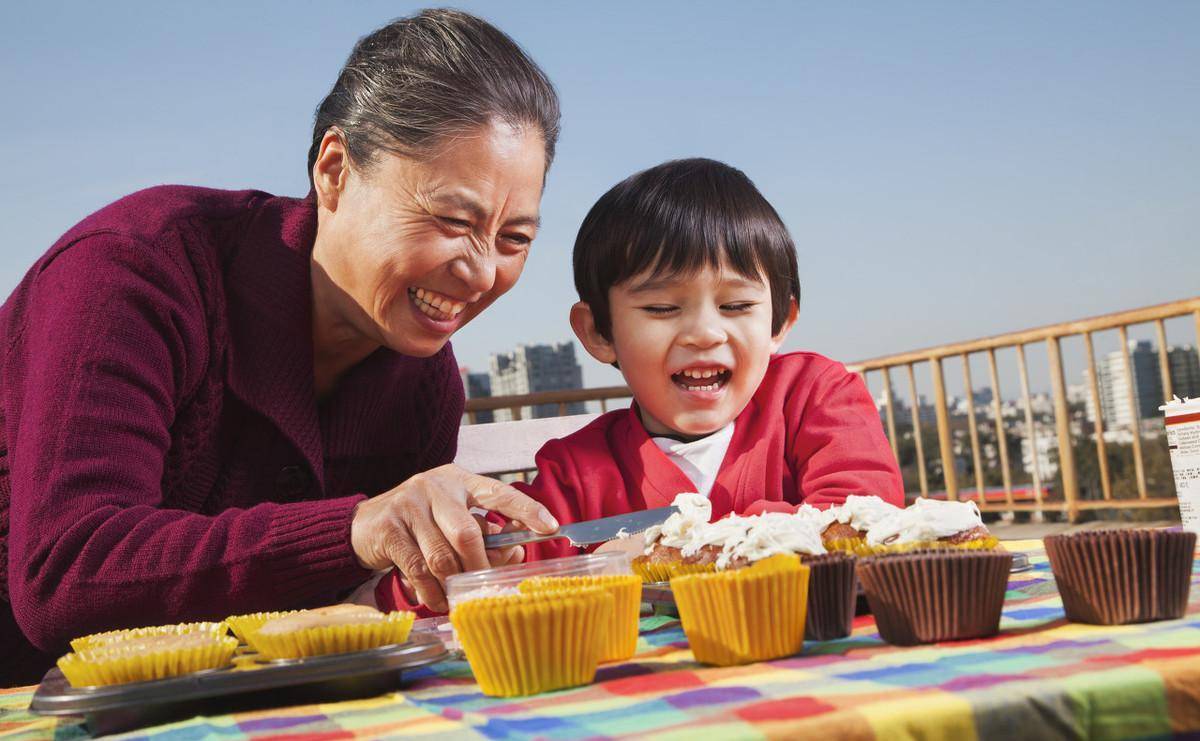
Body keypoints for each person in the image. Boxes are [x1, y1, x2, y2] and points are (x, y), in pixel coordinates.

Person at [0, 9, 562, 686]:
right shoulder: (136, 269)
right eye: (452, 219)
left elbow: (332, 612)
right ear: (335, 171)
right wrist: (357, 529)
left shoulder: (424, 386)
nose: (479, 270)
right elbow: (65, 571)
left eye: (513, 238)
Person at [373, 158, 905, 612]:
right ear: (599, 333)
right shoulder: (576, 474)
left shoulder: (816, 395)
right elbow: (456, 589)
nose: (703, 332)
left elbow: (860, 521)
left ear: (779, 322)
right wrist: (480, 553)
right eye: (661, 308)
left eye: (737, 305)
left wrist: (670, 550)